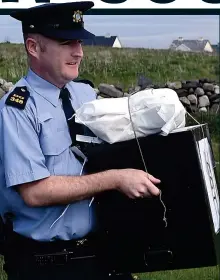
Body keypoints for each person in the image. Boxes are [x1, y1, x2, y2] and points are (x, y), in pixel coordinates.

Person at [0, 2, 161, 279]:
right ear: (34, 47)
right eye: (66, 42)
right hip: (47, 264)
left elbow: (114, 149)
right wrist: (116, 179)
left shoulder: (83, 94)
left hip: (102, 252)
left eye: (80, 41)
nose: (79, 52)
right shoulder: (17, 109)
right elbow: (35, 192)